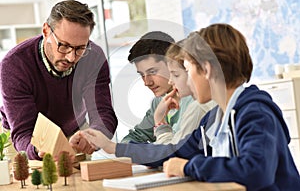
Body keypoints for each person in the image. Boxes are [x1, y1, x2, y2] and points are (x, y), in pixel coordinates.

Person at [72, 23, 300, 190]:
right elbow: (171, 152)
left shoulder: (255, 113)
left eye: (188, 70)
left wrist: (190, 166)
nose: (179, 81)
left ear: (207, 69)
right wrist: (112, 148)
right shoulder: (214, 119)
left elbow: (255, 172)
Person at [0, 0, 118, 160]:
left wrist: (94, 136)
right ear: (46, 31)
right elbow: (22, 131)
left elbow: (103, 113)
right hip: (25, 139)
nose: (71, 57)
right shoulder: (14, 64)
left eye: (80, 48)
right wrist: (36, 150)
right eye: (63, 45)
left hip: (74, 132)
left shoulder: (94, 57)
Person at [119, 31, 194, 144]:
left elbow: (174, 148)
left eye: (152, 72)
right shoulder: (159, 102)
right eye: (142, 75)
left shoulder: (194, 100)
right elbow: (134, 138)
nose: (147, 82)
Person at [153, 41, 216, 144]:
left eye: (176, 75)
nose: (170, 81)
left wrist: (160, 124)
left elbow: (170, 153)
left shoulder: (199, 107)